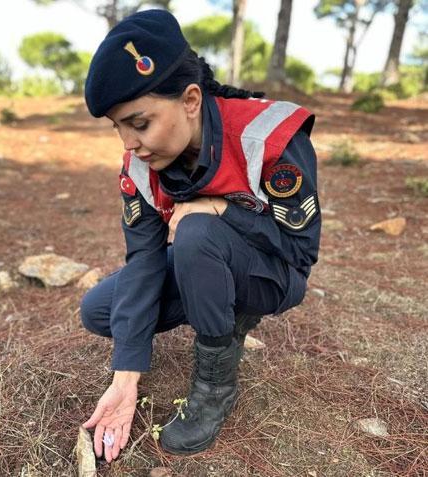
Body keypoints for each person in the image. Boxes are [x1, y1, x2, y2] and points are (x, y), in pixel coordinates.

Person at [79, 10, 320, 461]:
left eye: (139, 122)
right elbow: (145, 261)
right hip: (204, 260)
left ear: (191, 99)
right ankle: (217, 307)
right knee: (100, 310)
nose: (128, 143)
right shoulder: (139, 166)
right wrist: (125, 376)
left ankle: (214, 385)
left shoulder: (267, 137)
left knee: (195, 231)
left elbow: (302, 250)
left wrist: (225, 209)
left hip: (272, 275)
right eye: (118, 128)